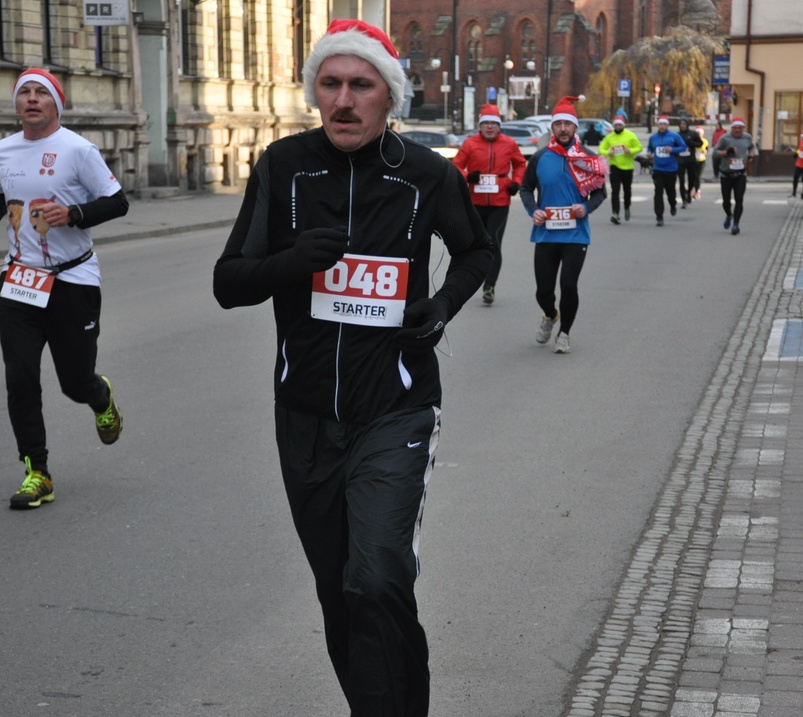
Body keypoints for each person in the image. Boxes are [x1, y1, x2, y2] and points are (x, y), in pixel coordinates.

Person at [212, 19, 492, 717]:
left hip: (395, 408)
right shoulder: (283, 166)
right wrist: (290, 262)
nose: (342, 100)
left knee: (377, 578)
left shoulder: (425, 174)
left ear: (388, 96)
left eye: (360, 85)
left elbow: (477, 251)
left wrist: (441, 305)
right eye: (330, 84)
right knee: (339, 592)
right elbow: (228, 282)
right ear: (315, 92)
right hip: (305, 417)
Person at [0, 68, 128, 509]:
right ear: (16, 105)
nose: (33, 99)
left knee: (74, 382)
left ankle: (100, 396)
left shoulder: (78, 149)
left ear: (57, 104)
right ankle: (37, 472)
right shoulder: (2, 150)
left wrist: (74, 214)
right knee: (20, 378)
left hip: (73, 279)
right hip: (20, 279)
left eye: (42, 93)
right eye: (25, 93)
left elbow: (118, 202)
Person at [519, 95, 607, 354]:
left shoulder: (588, 158)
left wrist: (585, 208)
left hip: (576, 235)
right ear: (552, 128)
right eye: (558, 124)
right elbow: (525, 189)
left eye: (568, 124)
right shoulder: (540, 157)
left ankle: (564, 333)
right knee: (543, 291)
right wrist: (534, 210)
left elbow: (600, 193)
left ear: (575, 127)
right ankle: (550, 314)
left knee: (568, 285)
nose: (563, 129)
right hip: (546, 234)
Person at [452, 103, 526, 305]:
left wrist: (516, 182)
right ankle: (468, 282)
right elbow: (456, 166)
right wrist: (468, 176)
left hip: (500, 203)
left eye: (494, 123)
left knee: (493, 242)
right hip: (475, 203)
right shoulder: (470, 143)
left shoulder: (509, 144)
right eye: (486, 123)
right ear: (480, 126)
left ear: (499, 126)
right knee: (475, 244)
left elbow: (520, 164)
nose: (490, 127)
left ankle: (489, 286)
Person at [712, 116, 756, 235]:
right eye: (735, 128)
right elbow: (714, 153)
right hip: (726, 174)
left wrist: (751, 155)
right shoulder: (725, 138)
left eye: (740, 128)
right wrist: (726, 152)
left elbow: (751, 147)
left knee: (739, 199)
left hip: (741, 174)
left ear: (743, 128)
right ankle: (728, 214)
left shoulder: (747, 137)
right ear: (731, 128)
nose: (737, 130)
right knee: (726, 201)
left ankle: (736, 224)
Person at [597, 115, 643, 224]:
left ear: (623, 125)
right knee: (615, 191)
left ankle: (627, 207)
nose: (618, 127)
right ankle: (615, 213)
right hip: (615, 166)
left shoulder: (630, 135)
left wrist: (630, 151)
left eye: (620, 125)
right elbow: (601, 149)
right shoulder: (610, 137)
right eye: (616, 125)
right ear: (614, 126)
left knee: (627, 190)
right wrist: (608, 153)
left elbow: (639, 147)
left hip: (628, 167)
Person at [645, 116, 686, 227]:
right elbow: (650, 147)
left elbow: (683, 146)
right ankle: (659, 217)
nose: (662, 126)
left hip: (671, 169)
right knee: (658, 192)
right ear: (657, 125)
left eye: (664, 124)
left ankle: (673, 204)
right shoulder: (653, 137)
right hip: (658, 168)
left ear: (667, 125)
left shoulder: (674, 136)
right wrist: (649, 153)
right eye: (660, 124)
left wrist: (673, 149)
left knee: (670, 191)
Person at [676, 118, 703, 208]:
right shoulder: (677, 135)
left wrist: (691, 143)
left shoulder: (693, 134)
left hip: (690, 160)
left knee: (691, 179)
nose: (682, 126)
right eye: (681, 124)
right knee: (681, 181)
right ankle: (684, 200)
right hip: (680, 161)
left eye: (684, 124)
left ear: (687, 125)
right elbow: (673, 146)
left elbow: (700, 144)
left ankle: (688, 192)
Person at [692, 126, 709, 200]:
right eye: (697, 133)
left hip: (702, 160)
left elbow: (707, 149)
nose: (699, 134)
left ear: (702, 133)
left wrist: (705, 151)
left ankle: (697, 191)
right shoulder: (692, 141)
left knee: (698, 176)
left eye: (700, 133)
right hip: (693, 161)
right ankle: (694, 189)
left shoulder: (705, 141)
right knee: (693, 176)